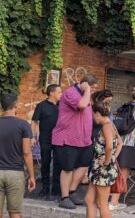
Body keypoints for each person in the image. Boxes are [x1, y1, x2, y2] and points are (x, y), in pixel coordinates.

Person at [52, 74, 98, 209]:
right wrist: (88, 90)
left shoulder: (85, 95)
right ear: (84, 84)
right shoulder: (70, 93)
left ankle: (72, 191)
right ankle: (64, 197)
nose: (93, 90)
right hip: (67, 138)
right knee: (67, 168)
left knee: (84, 164)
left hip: (84, 139)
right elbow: (82, 105)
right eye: (92, 87)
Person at [0, 94, 36, 218]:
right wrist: (31, 176)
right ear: (16, 104)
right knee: (15, 212)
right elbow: (26, 152)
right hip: (15, 173)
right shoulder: (23, 124)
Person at [84, 102, 122, 218]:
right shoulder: (111, 125)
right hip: (98, 168)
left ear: (97, 114)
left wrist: (107, 161)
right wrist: (113, 158)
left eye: (92, 114)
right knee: (89, 199)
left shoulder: (106, 126)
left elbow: (109, 146)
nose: (92, 117)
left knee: (102, 204)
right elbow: (120, 143)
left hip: (103, 169)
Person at [31, 84, 62, 198]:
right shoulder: (41, 106)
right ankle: (45, 188)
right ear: (51, 93)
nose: (61, 94)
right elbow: (34, 122)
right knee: (45, 163)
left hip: (59, 139)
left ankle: (55, 189)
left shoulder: (62, 106)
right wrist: (32, 137)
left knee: (58, 164)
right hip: (45, 139)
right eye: (59, 92)